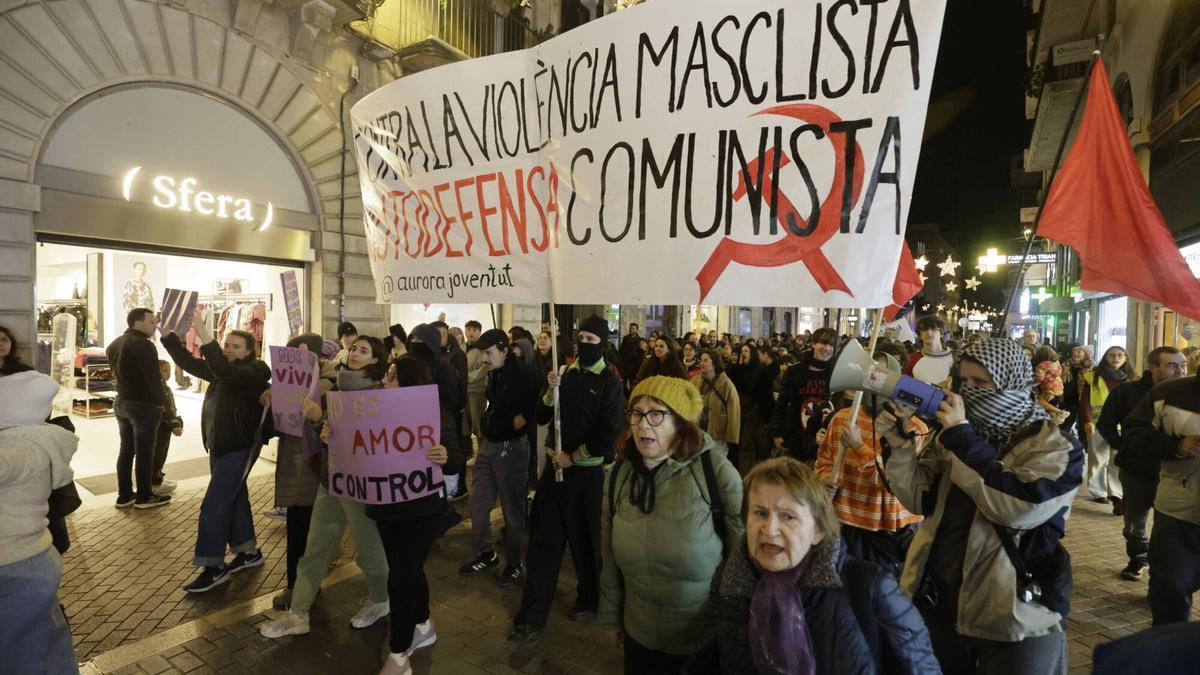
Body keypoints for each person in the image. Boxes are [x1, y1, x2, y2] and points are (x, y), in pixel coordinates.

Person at [882, 338, 1083, 674]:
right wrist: (900, 446)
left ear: (1012, 382)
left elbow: (1014, 507)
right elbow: (920, 500)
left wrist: (962, 437)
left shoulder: (1056, 445)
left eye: (982, 383)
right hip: (941, 602)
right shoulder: (956, 433)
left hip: (1013, 615)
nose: (970, 391)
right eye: (965, 382)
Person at [689, 457, 940, 674]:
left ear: (818, 531)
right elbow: (707, 661)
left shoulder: (870, 587)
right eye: (760, 513)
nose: (770, 528)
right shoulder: (732, 578)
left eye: (788, 516)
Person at [600, 376, 744, 673]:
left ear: (680, 423)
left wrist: (735, 632)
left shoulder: (715, 474)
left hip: (701, 643)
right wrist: (611, 617)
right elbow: (609, 556)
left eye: (656, 414)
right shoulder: (619, 475)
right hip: (638, 638)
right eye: (636, 413)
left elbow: (742, 560)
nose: (642, 424)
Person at [259, 336, 392, 634]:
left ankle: (381, 599)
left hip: (360, 484)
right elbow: (330, 432)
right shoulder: (339, 387)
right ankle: (299, 613)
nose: (355, 353)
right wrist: (322, 426)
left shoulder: (379, 394)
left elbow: (373, 438)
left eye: (363, 351)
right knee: (315, 546)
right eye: (354, 348)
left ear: (375, 360)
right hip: (331, 477)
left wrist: (324, 419)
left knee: (369, 548)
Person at [510, 315, 625, 643]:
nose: (584, 345)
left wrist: (573, 457)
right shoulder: (565, 373)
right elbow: (543, 415)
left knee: (585, 543)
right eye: (581, 339)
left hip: (585, 474)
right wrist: (549, 390)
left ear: (602, 344)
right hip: (554, 472)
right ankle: (531, 616)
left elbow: (608, 433)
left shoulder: (609, 383)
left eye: (592, 340)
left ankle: (589, 598)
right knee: (543, 544)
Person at [367, 356, 463, 675]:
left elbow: (459, 455)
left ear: (409, 381)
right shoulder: (373, 411)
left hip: (421, 510)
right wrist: (331, 438)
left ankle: (398, 655)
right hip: (386, 507)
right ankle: (422, 625)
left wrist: (445, 455)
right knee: (405, 569)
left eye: (392, 376)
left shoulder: (433, 411)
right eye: (385, 374)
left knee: (400, 577)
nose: (385, 381)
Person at [161, 316, 272, 592]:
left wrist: (205, 337)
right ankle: (248, 552)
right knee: (234, 496)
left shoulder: (252, 371)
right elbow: (189, 363)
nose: (229, 349)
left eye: (236, 346)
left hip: (239, 446)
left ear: (249, 351)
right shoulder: (221, 369)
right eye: (226, 345)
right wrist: (168, 337)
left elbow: (226, 372)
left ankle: (213, 566)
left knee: (214, 504)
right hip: (219, 445)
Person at [815, 344, 926, 576]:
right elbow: (824, 459)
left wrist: (858, 447)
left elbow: (895, 484)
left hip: (886, 532)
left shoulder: (914, 428)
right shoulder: (842, 418)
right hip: (844, 523)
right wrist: (824, 479)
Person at [0, 371, 79, 675]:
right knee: (47, 643)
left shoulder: (16, 448)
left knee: (21, 654)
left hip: (16, 566)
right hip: (33, 560)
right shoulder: (35, 440)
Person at [1097, 346, 1186, 582]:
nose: (1180, 371)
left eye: (1183, 365)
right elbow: (1105, 423)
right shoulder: (1127, 392)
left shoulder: (1187, 395)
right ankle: (1138, 558)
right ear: (1153, 367)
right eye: (1172, 365)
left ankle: (1161, 574)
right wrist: (1125, 445)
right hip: (1137, 470)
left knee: (1168, 528)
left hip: (1175, 472)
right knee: (1134, 524)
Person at [460, 329, 541, 586]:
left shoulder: (526, 375)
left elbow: (539, 405)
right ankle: (485, 552)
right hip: (489, 444)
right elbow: (493, 404)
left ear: (504, 350)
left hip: (512, 447)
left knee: (512, 507)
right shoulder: (494, 372)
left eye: (488, 352)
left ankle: (515, 562)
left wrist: (519, 423)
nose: (484, 357)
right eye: (482, 353)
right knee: (478, 502)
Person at [1122, 367, 1200, 625]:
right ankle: (1167, 651)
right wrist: (1177, 446)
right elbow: (1133, 433)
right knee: (1171, 592)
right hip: (1179, 511)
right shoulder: (1169, 393)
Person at [262, 333, 331, 610]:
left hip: (316, 467)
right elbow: (273, 428)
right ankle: (299, 585)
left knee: (313, 532)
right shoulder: (282, 386)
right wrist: (269, 401)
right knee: (299, 528)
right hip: (295, 466)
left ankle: (303, 587)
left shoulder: (328, 385)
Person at [107, 308, 172, 509]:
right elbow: (152, 378)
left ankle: (125, 495)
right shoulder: (144, 345)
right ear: (137, 323)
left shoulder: (115, 343)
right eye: (151, 321)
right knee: (145, 452)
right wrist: (161, 402)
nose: (155, 325)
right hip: (143, 405)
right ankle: (145, 496)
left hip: (122, 402)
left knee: (126, 450)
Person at [1080, 346, 1135, 512]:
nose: (1116, 358)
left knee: (1117, 459)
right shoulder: (1093, 377)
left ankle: (1116, 493)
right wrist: (1087, 421)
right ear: (1106, 357)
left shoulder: (1132, 378)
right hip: (1097, 424)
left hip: (1121, 426)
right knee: (1098, 458)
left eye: (1120, 355)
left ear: (1126, 358)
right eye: (1112, 355)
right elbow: (1084, 401)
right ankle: (1098, 491)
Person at [773, 327, 838, 462]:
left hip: (828, 440)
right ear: (813, 343)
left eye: (831, 344)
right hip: (796, 438)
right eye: (823, 343)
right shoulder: (794, 371)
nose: (827, 348)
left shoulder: (838, 374)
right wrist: (777, 432)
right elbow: (781, 404)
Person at [690, 349, 740, 459]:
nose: (701, 363)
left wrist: (731, 437)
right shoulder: (695, 381)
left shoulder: (726, 384)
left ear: (714, 363)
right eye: (700, 361)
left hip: (717, 433)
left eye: (705, 360)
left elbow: (734, 411)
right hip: (699, 431)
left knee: (716, 464)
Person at [152, 359, 184, 495]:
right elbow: (167, 409)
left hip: (155, 425)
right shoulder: (162, 388)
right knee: (159, 453)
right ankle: (155, 482)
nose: (168, 374)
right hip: (163, 426)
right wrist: (175, 424)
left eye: (169, 371)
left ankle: (154, 479)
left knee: (155, 453)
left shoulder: (154, 386)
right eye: (165, 371)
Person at [906, 315, 954, 385]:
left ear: (941, 333)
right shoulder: (911, 359)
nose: (928, 332)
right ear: (919, 335)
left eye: (933, 328)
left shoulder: (956, 357)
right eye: (924, 329)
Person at [464, 319, 488, 443]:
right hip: (464, 390)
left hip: (477, 390)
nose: (471, 333)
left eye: (474, 330)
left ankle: (481, 452)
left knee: (478, 422)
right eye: (468, 329)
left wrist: (463, 376)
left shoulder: (483, 349)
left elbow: (482, 371)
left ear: (480, 332)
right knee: (466, 422)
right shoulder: (463, 347)